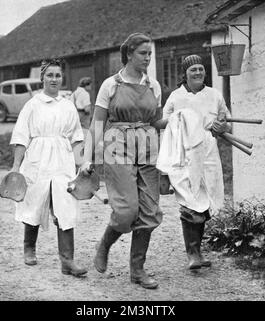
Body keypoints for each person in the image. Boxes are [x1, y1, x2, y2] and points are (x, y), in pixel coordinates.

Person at [80, 33, 163, 289]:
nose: (147, 58)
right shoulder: (110, 85)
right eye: (143, 53)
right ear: (129, 54)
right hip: (117, 146)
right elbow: (97, 124)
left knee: (149, 212)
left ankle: (137, 270)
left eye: (149, 54)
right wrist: (87, 159)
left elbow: (156, 122)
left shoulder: (154, 86)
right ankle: (105, 244)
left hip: (148, 147)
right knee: (127, 210)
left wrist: (182, 119)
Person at [9, 58, 87, 278]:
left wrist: (83, 164)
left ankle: (67, 261)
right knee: (34, 201)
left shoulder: (68, 105)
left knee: (65, 204)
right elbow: (21, 137)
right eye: (50, 75)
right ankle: (29, 248)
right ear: (42, 78)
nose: (54, 79)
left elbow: (77, 138)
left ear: (62, 78)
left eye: (58, 75)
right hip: (38, 159)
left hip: (63, 159)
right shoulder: (32, 104)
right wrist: (16, 166)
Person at [156, 54, 230, 270]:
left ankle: (197, 250)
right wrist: (176, 119)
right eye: (192, 70)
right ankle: (193, 254)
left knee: (206, 200)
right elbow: (161, 123)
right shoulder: (176, 97)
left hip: (207, 151)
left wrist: (221, 127)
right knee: (190, 200)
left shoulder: (214, 95)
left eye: (200, 69)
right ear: (185, 73)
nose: (197, 72)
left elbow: (227, 122)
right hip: (184, 151)